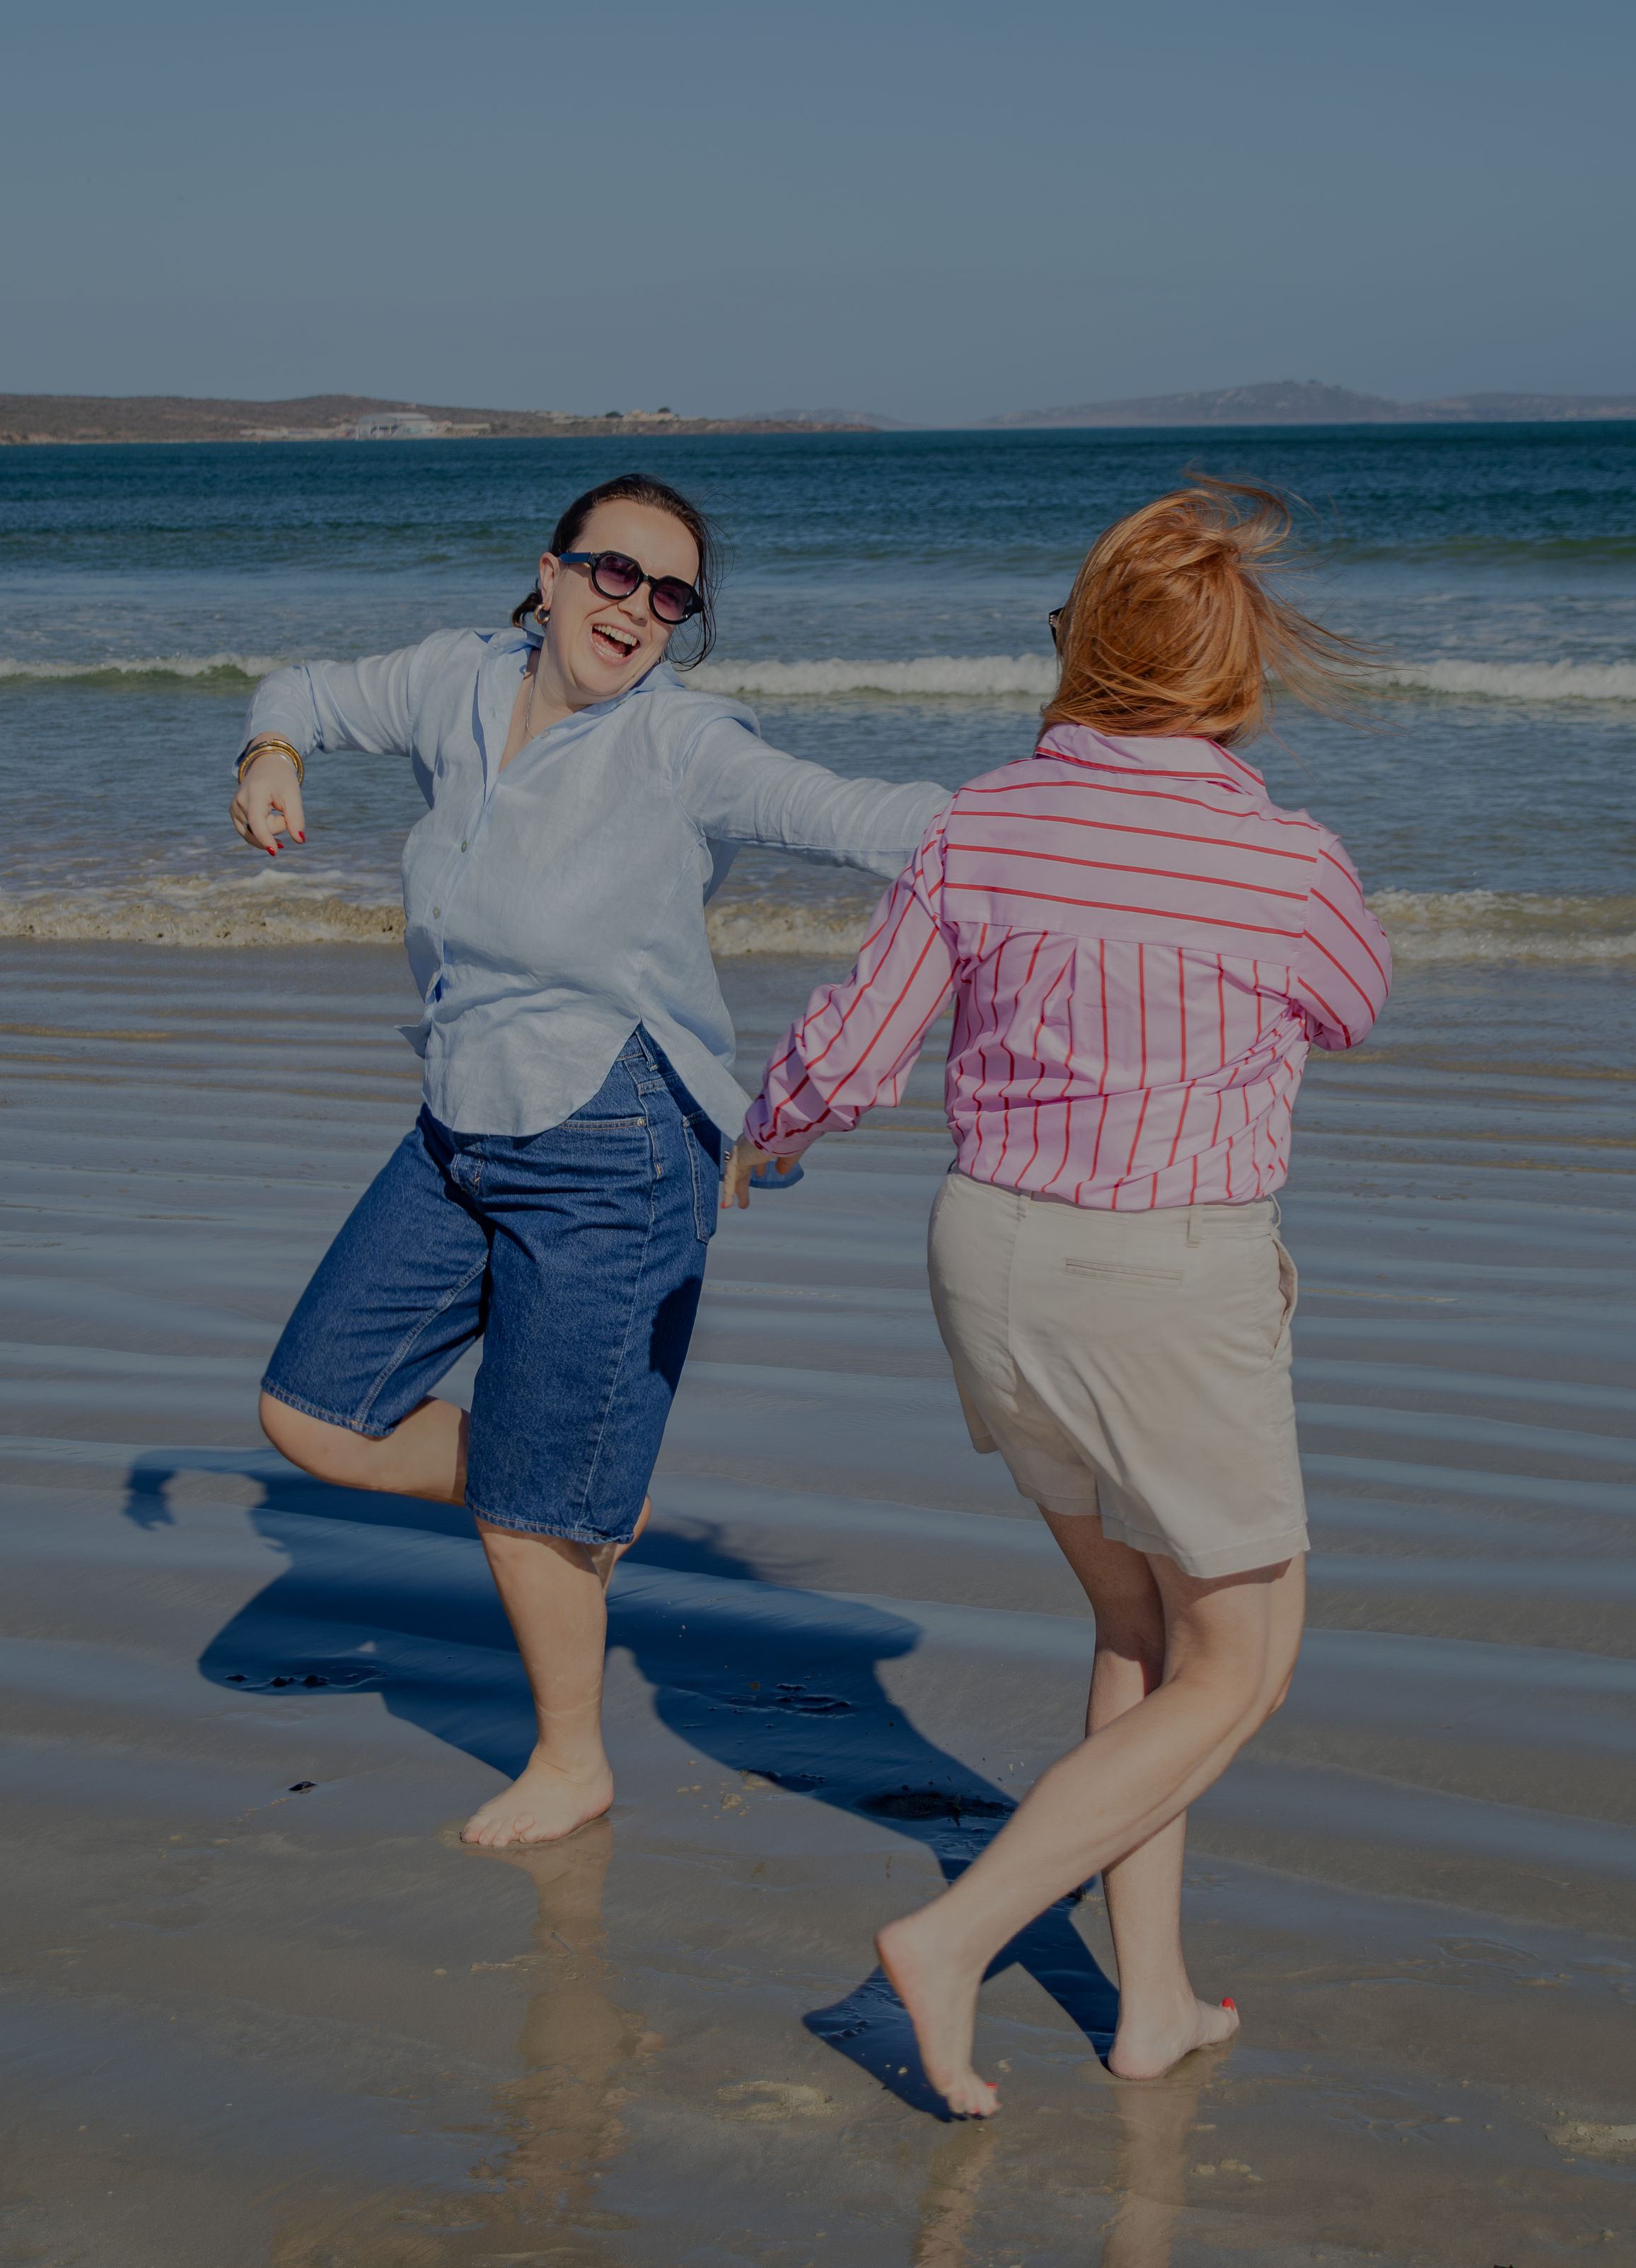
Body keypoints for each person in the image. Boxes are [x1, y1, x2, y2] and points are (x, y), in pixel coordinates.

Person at [727, 478, 1391, 2115]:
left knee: (1133, 1625)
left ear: (1080, 649)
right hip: (1160, 1275)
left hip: (987, 1256)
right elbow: (1351, 1004)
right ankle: (954, 1937)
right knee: (1239, 1666)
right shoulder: (1283, 859)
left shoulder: (981, 818)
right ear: (1236, 679)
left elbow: (854, 1044)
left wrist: (764, 1142)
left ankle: (1149, 1996)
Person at [232, 472, 946, 1850]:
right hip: (459, 1117)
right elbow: (303, 689)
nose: (638, 611)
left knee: (528, 1510)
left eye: (671, 598)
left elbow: (852, 815)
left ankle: (572, 1758)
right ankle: (569, 1488)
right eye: (615, 575)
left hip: (612, 1137)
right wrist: (270, 751)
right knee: (314, 1416)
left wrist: (1066, 818)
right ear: (549, 574)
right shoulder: (457, 680)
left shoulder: (680, 745)